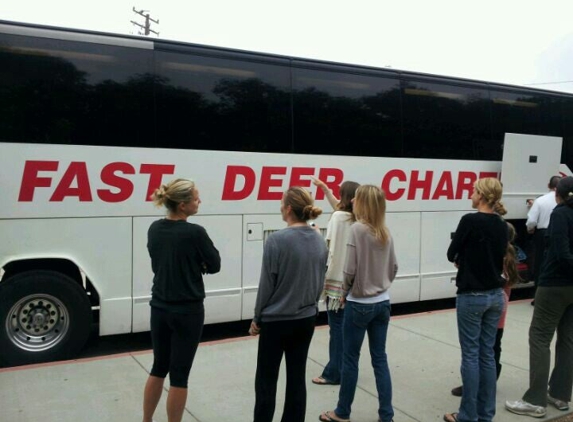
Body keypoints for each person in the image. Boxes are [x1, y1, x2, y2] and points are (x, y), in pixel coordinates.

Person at [142, 178, 221, 422]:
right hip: (188, 311)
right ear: (184, 205)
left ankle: (146, 420)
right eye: (196, 198)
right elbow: (215, 264)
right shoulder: (195, 232)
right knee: (179, 376)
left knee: (158, 368)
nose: (199, 202)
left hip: (159, 307)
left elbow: (158, 262)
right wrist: (199, 265)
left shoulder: (154, 228)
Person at [320, 185, 398, 422]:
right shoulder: (384, 231)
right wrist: (381, 283)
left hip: (359, 303)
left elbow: (349, 269)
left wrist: (344, 291)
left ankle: (342, 412)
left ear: (362, 203)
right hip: (383, 302)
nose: (352, 200)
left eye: (356, 198)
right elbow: (394, 267)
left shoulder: (357, 229)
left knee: (350, 359)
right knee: (380, 359)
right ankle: (386, 415)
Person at [249, 186, 328, 422]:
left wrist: (257, 318)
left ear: (289, 209)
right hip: (305, 320)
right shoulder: (319, 239)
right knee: (296, 378)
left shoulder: (276, 240)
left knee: (266, 381)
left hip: (276, 322)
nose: (280, 207)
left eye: (282, 203)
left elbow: (267, 286)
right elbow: (318, 281)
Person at [505, 176, 573, 418]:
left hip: (554, 284)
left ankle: (535, 400)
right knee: (567, 340)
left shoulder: (560, 214)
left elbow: (560, 251)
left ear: (558, 194)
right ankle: (561, 395)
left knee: (540, 339)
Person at [443, 177, 508, 422]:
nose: (471, 193)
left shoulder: (469, 220)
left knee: (470, 355)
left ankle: (467, 415)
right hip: (495, 296)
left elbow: (452, 253)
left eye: (473, 191)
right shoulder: (501, 224)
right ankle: (485, 414)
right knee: (487, 355)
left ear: (481, 195)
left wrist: (463, 258)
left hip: (472, 295)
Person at [450, 222, 522, 397]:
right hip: (500, 311)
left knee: (478, 348)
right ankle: (490, 380)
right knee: (493, 346)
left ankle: (476, 384)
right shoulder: (509, 257)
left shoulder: (497, 256)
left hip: (488, 306)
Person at [311, 179, 360, 386]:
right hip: (353, 282)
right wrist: (325, 190)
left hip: (336, 283)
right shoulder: (357, 218)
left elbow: (327, 249)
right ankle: (345, 368)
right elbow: (338, 209)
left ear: (344, 197)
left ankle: (334, 372)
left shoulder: (338, 218)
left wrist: (315, 233)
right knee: (348, 330)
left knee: (337, 329)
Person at [526, 175, 561, 294]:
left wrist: (530, 229)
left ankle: (538, 295)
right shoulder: (565, 202)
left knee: (539, 263)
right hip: (558, 233)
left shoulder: (540, 200)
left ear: (548, 186)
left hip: (542, 234)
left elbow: (531, 221)